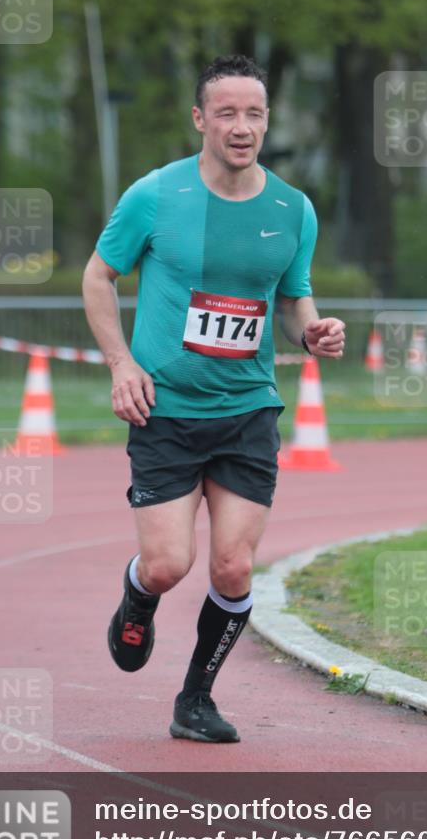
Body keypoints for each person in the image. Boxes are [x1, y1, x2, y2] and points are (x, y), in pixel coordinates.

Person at [82, 54, 345, 743]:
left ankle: (195, 699)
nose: (241, 126)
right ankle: (138, 595)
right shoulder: (154, 196)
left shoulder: (292, 208)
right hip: (165, 409)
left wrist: (312, 328)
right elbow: (98, 275)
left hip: (247, 408)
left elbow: (291, 297)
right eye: (225, 112)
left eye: (253, 113)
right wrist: (120, 364)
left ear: (266, 121)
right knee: (171, 564)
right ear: (200, 119)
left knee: (232, 564)